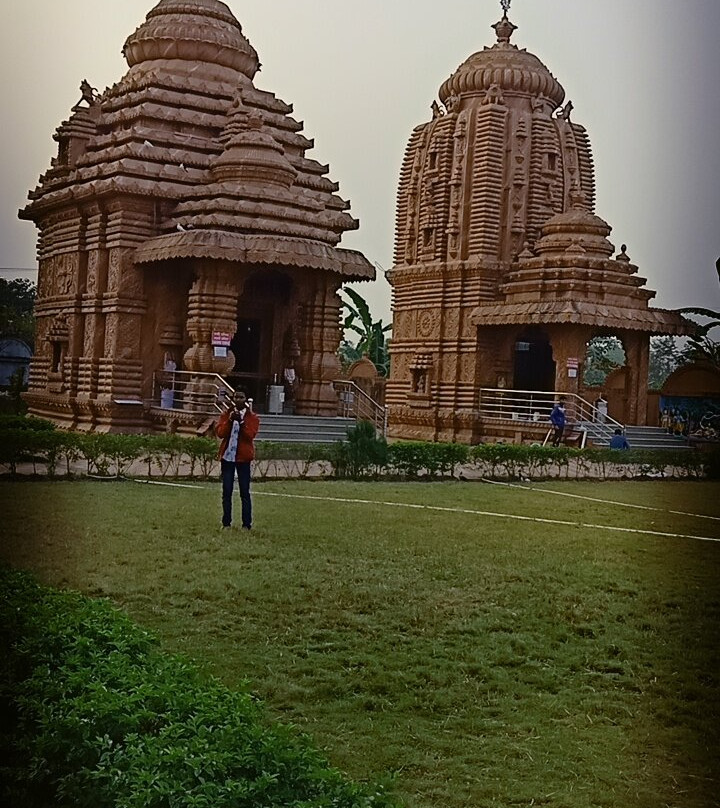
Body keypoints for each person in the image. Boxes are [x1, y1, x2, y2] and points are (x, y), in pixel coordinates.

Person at [216, 389, 260, 530]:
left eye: (241, 397)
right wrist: (229, 421)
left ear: (246, 400)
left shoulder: (252, 417)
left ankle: (246, 524)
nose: (238, 400)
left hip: (243, 459)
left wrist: (241, 422)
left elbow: (250, 435)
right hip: (228, 457)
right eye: (236, 397)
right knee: (227, 490)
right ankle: (226, 523)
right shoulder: (226, 414)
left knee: (244, 492)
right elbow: (220, 433)